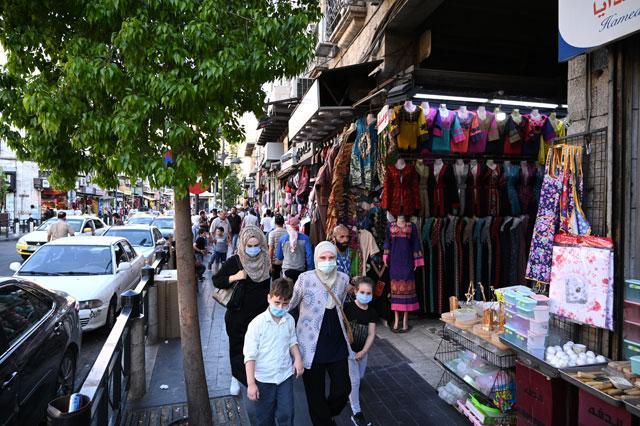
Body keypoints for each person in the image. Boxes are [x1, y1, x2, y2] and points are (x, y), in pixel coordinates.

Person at [289, 241, 352, 426]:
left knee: (343, 388)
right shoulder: (305, 279)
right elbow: (291, 303)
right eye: (323, 258)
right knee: (315, 393)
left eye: (331, 258)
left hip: (336, 339)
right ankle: (324, 421)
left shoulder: (343, 278)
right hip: (310, 342)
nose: (327, 261)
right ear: (316, 259)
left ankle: (326, 414)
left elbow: (341, 302)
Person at [213, 225, 271, 396]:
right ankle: (236, 377)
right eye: (249, 246)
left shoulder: (265, 260)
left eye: (256, 245)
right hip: (238, 316)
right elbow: (217, 280)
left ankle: (252, 377)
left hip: (260, 317)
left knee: (256, 349)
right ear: (243, 244)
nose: (253, 249)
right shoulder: (235, 261)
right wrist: (235, 277)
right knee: (238, 349)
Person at [244, 278, 304, 426]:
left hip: (284, 376)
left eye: (285, 304)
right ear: (269, 298)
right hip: (263, 379)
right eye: (277, 302)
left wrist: (297, 358)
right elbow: (250, 356)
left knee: (287, 414)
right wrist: (251, 383)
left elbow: (292, 341)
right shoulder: (256, 324)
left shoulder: (289, 320)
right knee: (264, 418)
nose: (281, 307)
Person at [344, 277, 378, 426]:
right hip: (349, 351)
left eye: (368, 293)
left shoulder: (372, 312)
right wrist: (348, 350)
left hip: (362, 352)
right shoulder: (348, 308)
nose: (365, 295)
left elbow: (371, 334)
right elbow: (342, 329)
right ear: (356, 291)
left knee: (360, 376)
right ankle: (357, 412)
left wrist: (364, 352)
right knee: (355, 380)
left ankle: (348, 390)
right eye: (362, 292)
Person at [275, 217, 314, 283]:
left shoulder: (282, 239)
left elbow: (279, 256)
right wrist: (310, 270)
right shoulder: (305, 238)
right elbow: (309, 256)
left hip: (286, 270)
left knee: (287, 288)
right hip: (300, 270)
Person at [268, 215, 287, 280]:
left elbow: (271, 249)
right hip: (285, 260)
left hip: (275, 261)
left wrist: (270, 262)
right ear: (283, 222)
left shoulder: (272, 233)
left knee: (275, 280)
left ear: (275, 223)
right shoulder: (287, 233)